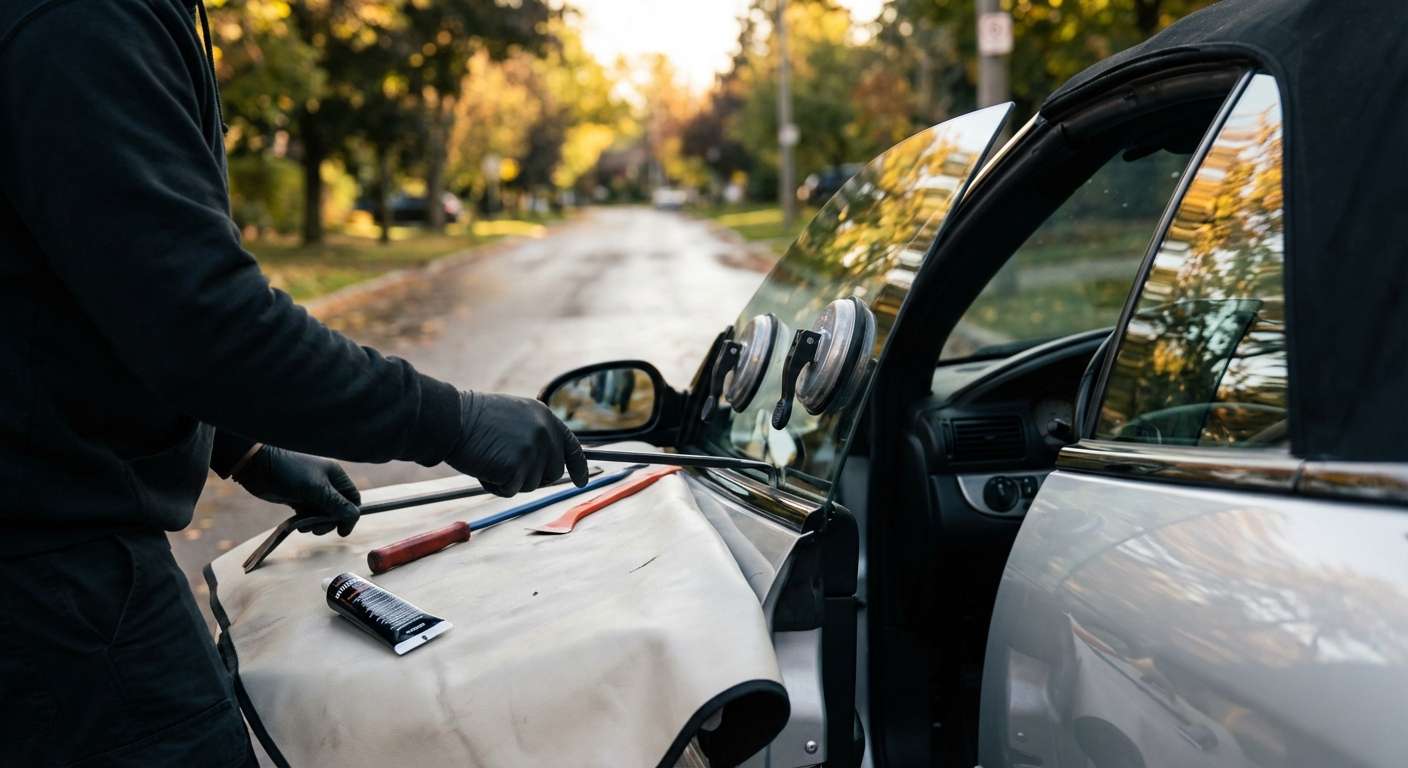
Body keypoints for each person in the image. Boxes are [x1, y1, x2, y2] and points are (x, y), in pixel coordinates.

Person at [0, 0, 588, 764]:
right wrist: (451, 420)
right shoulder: (83, 17)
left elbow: (91, 294)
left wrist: (241, 448)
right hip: (48, 576)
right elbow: (203, 322)